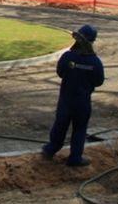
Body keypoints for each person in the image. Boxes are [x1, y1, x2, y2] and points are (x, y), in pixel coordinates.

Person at [42, 24, 105, 167]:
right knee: (80, 129)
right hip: (82, 101)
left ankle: (50, 150)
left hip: (66, 99)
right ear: (92, 41)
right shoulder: (95, 62)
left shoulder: (67, 56)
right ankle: (75, 158)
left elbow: (60, 73)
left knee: (60, 125)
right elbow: (99, 81)